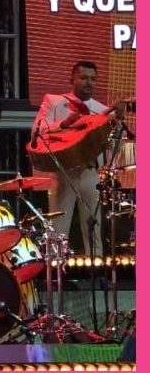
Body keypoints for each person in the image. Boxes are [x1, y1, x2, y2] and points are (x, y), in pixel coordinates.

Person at [32, 61, 126, 255]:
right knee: (58, 228)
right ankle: (57, 274)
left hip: (90, 172)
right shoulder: (54, 101)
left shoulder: (102, 110)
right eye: (83, 78)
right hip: (63, 171)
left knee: (94, 227)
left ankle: (97, 271)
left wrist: (116, 125)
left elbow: (112, 147)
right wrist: (65, 124)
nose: (88, 83)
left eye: (93, 79)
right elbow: (38, 130)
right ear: (72, 79)